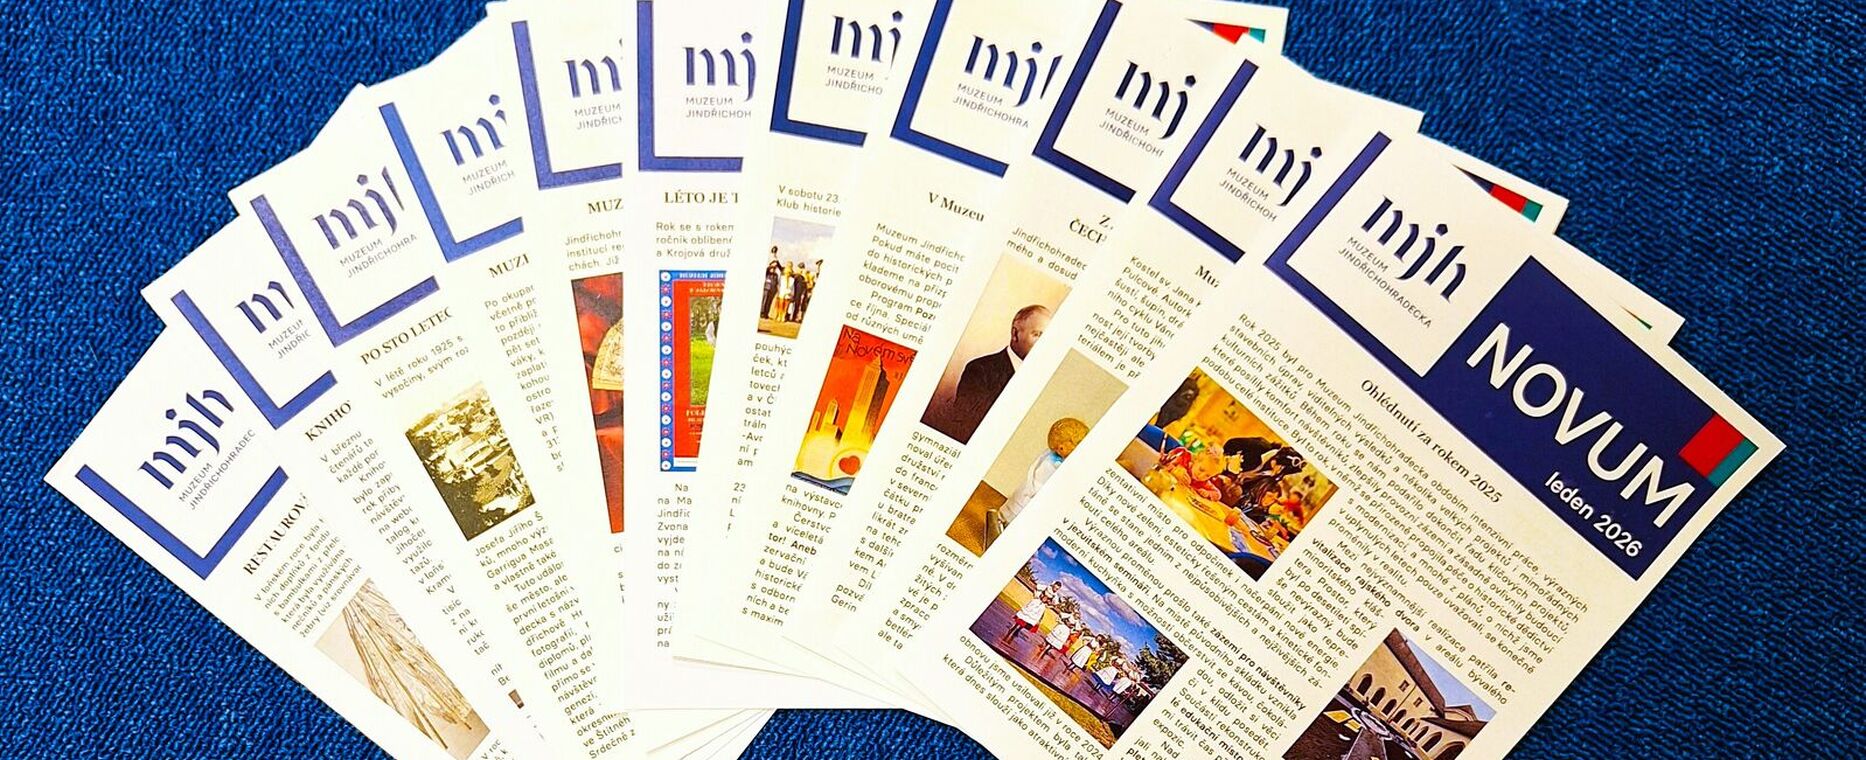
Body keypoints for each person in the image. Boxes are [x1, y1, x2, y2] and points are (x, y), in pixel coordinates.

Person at [939, 304, 1051, 443]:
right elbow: (966, 428)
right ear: (1015, 334)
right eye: (1037, 335)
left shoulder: (1044, 376)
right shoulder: (979, 370)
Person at [984, 417, 1088, 551]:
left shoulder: (1070, 463)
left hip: (1040, 502)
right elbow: (1038, 478)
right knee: (1013, 512)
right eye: (1057, 449)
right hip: (1030, 494)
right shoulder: (1050, 462)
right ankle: (997, 524)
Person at [760, 256, 782, 321]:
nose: (773, 269)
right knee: (764, 301)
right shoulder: (767, 273)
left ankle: (766, 313)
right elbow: (768, 269)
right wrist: (772, 264)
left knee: (769, 302)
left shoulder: (776, 275)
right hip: (766, 289)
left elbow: (777, 282)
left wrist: (777, 263)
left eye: (774, 268)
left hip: (772, 290)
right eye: (772, 268)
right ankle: (762, 312)